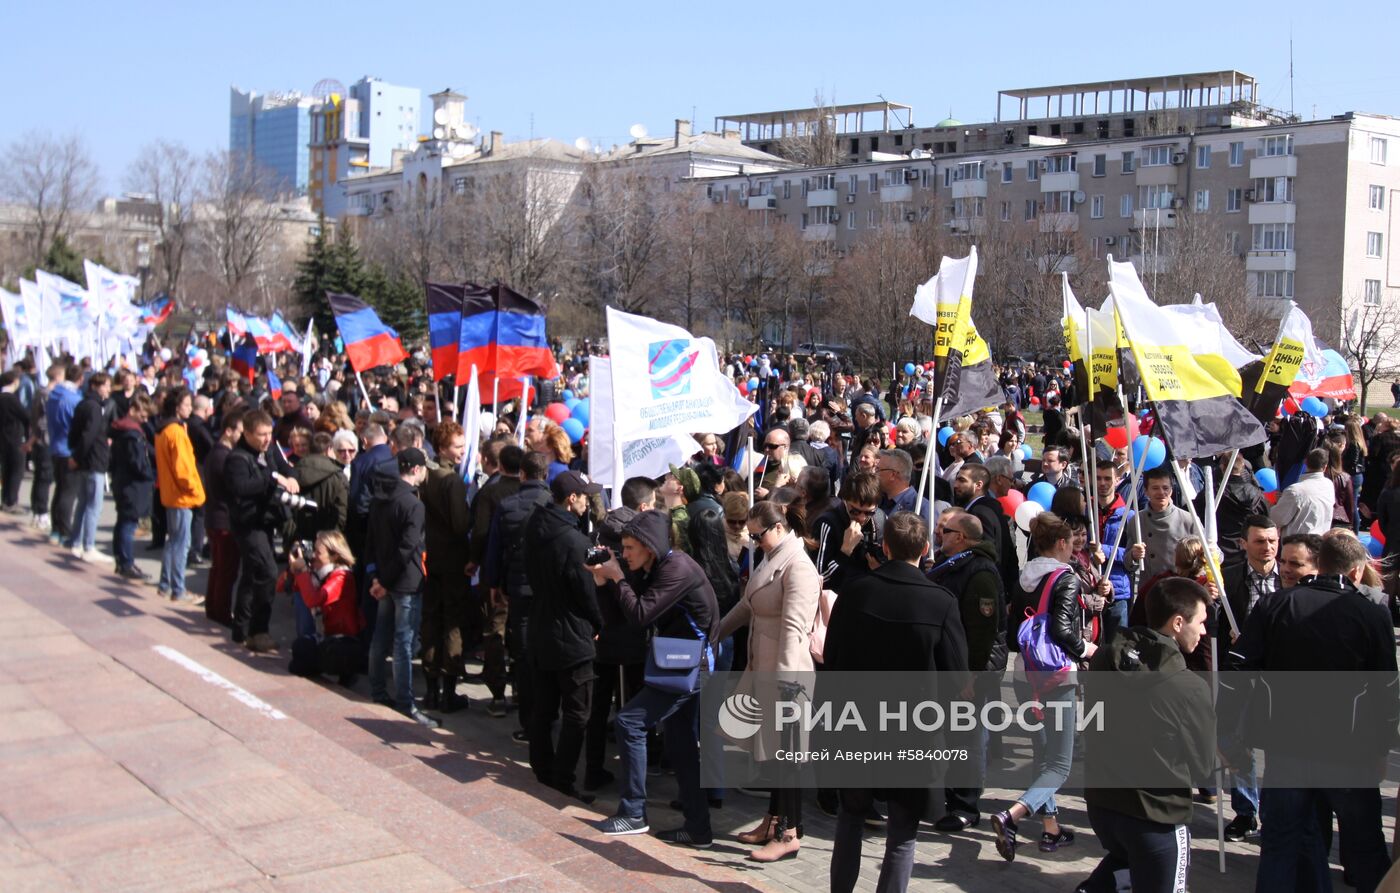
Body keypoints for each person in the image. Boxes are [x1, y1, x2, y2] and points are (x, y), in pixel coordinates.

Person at [1225, 533, 1398, 892]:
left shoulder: (1276, 605)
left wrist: (1227, 733)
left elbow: (1237, 672)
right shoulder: (1370, 612)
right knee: (1364, 846)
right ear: (1355, 572)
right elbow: (1387, 690)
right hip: (1348, 753)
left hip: (1288, 749)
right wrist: (1381, 747)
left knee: (1281, 846)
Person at [824, 511, 968, 893]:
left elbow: (832, 655)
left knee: (851, 818)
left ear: (885, 547)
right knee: (902, 833)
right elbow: (957, 675)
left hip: (856, 723)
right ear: (925, 548)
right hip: (912, 730)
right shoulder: (940, 602)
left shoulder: (856, 590)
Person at [589, 509, 719, 847]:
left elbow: (641, 615)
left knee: (629, 723)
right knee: (681, 745)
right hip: (678, 662)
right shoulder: (650, 567)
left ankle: (633, 812)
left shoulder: (675, 569)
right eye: (624, 548)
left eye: (630, 548)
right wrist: (604, 582)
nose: (625, 554)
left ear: (650, 546)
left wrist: (617, 578)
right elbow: (617, 621)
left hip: (689, 666)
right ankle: (698, 828)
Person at [1078, 578, 1216, 893]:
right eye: (1201, 622)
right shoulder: (1189, 687)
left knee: (1122, 865)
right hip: (1156, 814)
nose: (1204, 632)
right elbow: (1203, 767)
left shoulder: (1104, 660)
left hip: (1104, 805)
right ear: (1178, 622)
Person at [716, 500, 821, 862]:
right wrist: (716, 632)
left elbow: (795, 629)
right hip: (765, 670)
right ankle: (773, 820)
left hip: (786, 676)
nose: (753, 540)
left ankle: (789, 833)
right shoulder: (774, 556)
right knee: (773, 754)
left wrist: (788, 688)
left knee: (787, 756)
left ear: (778, 528)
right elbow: (749, 605)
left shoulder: (799, 567)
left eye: (757, 535)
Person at [991, 512, 1097, 862]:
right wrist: (1087, 649)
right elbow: (1063, 631)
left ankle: (1050, 828)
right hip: (1056, 677)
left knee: (1043, 755)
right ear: (1063, 543)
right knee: (1061, 763)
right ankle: (1012, 817)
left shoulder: (1025, 577)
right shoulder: (1064, 578)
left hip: (1024, 673)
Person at [523, 470, 603, 802]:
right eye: (584, 496)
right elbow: (586, 593)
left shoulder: (535, 526)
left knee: (544, 707)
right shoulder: (573, 542)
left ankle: (543, 770)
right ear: (572, 500)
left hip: (541, 628)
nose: (588, 501)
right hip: (570, 637)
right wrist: (598, 624)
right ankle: (562, 778)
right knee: (577, 711)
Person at [927, 509, 1005, 833]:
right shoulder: (952, 567)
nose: (938, 534)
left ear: (960, 538)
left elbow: (982, 629)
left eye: (944, 531)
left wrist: (971, 675)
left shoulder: (980, 572)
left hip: (969, 672)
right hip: (950, 666)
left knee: (966, 738)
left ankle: (965, 805)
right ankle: (948, 795)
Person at [1217, 514, 1278, 842]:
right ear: (1243, 544)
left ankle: (1274, 810)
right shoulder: (1227, 580)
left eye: (1272, 541)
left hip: (1279, 676)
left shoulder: (1291, 579)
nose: (1267, 548)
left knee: (1278, 745)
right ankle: (1245, 811)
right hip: (1240, 676)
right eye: (1260, 541)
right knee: (1234, 742)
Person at [366, 447, 437, 728]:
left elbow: (371, 542)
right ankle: (406, 703)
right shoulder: (413, 504)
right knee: (402, 644)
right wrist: (383, 581)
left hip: (384, 578)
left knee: (381, 637)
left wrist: (377, 577)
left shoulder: (381, 498)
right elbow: (408, 548)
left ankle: (378, 691)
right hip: (403, 582)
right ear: (417, 470)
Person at [483, 450, 552, 728]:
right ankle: (547, 708)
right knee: (547, 648)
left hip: (519, 588)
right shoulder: (554, 504)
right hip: (548, 588)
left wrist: (493, 584)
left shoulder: (507, 505)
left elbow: (494, 549)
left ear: (522, 474)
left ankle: (528, 714)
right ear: (544, 475)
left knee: (523, 650)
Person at [223, 410, 297, 652]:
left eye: (269, 433)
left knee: (251, 573)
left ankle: (241, 629)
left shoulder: (271, 449)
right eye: (261, 435)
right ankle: (259, 630)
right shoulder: (238, 458)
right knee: (266, 572)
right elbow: (240, 487)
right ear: (247, 433)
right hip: (248, 523)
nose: (266, 439)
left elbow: (285, 468)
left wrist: (291, 477)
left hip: (266, 520)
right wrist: (272, 480)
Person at [418, 421, 471, 713]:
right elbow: (460, 524)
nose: (462, 452)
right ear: (442, 448)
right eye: (457, 447)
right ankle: (447, 691)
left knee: (431, 621)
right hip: (450, 559)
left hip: (433, 557)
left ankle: (431, 690)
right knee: (450, 622)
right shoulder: (449, 480)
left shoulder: (426, 474)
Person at [287, 530, 364, 684]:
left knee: (307, 654)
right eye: (313, 550)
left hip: (345, 641)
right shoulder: (319, 573)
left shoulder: (342, 577)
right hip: (328, 636)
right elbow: (285, 587)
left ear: (334, 556)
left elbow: (313, 600)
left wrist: (302, 572)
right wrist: (294, 569)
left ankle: (348, 671)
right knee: (300, 649)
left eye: (318, 552)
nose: (313, 555)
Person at [154, 388, 205, 603]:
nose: (189, 408)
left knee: (173, 541)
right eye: (186, 404)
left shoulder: (164, 430)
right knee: (180, 544)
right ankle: (178, 587)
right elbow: (183, 468)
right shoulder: (175, 431)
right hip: (182, 495)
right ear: (177, 407)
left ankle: (166, 584)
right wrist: (195, 489)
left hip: (171, 494)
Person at [1094, 460, 1144, 641]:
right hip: (1090, 587)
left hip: (1118, 590)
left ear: (1117, 480)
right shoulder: (1087, 512)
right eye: (1098, 478)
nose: (1102, 483)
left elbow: (1133, 556)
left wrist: (1104, 551)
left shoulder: (1128, 516)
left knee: (1117, 646)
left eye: (1107, 478)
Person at [812, 471, 885, 592]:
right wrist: (845, 551)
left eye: (869, 512)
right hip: (837, 599)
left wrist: (880, 568)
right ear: (844, 501)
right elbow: (819, 579)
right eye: (855, 511)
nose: (862, 518)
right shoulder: (827, 523)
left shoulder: (880, 520)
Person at [109, 393, 156, 580]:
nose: (144, 421)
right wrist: (148, 475)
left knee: (123, 522)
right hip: (132, 485)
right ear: (133, 411)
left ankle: (122, 560)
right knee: (128, 524)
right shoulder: (132, 434)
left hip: (122, 481)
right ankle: (126, 562)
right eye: (142, 416)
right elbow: (137, 463)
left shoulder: (121, 430)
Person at [67, 372, 113, 562]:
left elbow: (74, 433)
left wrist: (75, 454)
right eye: (106, 385)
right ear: (97, 386)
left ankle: (76, 542)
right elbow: (88, 435)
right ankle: (88, 545)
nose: (109, 389)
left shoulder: (83, 404)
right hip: (93, 461)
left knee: (83, 503)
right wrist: (77, 456)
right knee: (93, 505)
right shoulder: (94, 407)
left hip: (86, 460)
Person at [202, 410, 243, 626]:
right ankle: (221, 612)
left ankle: (214, 608)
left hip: (216, 518)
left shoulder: (218, 454)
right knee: (225, 570)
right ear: (228, 431)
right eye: (240, 431)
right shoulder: (222, 456)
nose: (242, 436)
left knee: (219, 568)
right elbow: (230, 489)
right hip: (223, 521)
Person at [44, 364, 81, 546]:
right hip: (68, 449)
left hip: (56, 447)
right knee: (68, 492)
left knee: (60, 490)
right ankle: (64, 531)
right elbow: (77, 424)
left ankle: (56, 529)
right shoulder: (73, 398)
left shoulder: (53, 395)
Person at [1138, 465, 1195, 581]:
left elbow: (1213, 552)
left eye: (1165, 488)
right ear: (1146, 491)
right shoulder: (1137, 520)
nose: (1161, 492)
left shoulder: (1188, 519)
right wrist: (1134, 555)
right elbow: (1128, 561)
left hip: (1180, 587)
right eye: (1155, 488)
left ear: (1171, 490)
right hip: (1149, 588)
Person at [292, 431, 349, 542]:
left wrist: (292, 539)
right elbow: (341, 513)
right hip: (327, 541)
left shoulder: (293, 473)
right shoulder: (337, 476)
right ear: (329, 450)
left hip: (298, 538)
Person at [1271, 447, 1334, 536]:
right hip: (1320, 540)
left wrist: (1278, 503)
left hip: (1297, 544)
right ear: (1325, 467)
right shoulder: (1329, 485)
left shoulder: (1295, 491)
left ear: (1305, 462)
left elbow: (1277, 519)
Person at [0, 371, 28, 513]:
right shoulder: (10, 399)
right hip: (15, 437)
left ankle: (5, 499)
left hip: (3, 438)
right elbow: (25, 416)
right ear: (14, 382)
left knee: (7, 470)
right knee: (16, 470)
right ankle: (11, 501)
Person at [756, 427, 806, 499]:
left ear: (785, 447)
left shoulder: (792, 465)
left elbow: (790, 501)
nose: (767, 449)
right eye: (765, 446)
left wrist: (768, 496)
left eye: (772, 446)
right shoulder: (762, 464)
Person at [875, 448, 918, 516]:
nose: (874, 473)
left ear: (893, 475)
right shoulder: (878, 500)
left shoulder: (919, 508)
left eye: (878, 469)